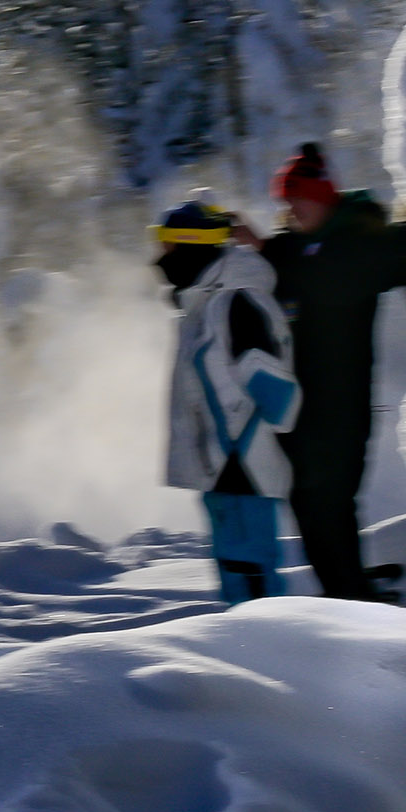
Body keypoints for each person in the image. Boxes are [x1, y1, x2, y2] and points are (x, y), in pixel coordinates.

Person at [256, 141, 406, 602]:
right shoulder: (293, 246)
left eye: (299, 197)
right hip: (296, 401)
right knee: (311, 500)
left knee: (328, 496)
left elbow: (352, 271)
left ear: (324, 197)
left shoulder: (353, 241)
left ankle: (349, 592)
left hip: (340, 400)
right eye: (285, 199)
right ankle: (345, 587)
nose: (290, 207)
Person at [155, 196, 298, 601]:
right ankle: (244, 655)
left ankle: (271, 657)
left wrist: (239, 442)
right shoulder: (204, 304)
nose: (161, 257)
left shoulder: (236, 301)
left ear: (191, 244)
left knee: (253, 578)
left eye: (167, 244)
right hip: (222, 468)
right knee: (237, 575)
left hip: (242, 468)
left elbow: (279, 396)